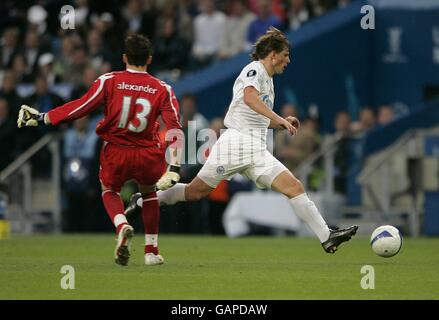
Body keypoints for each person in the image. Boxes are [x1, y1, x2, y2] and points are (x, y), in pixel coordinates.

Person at [128, 27, 358, 254]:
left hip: (255, 149)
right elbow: (249, 98)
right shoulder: (255, 70)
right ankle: (143, 201)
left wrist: (280, 122)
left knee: (294, 187)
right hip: (235, 144)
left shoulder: (268, 80)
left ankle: (327, 236)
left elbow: (255, 116)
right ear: (273, 54)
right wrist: (279, 118)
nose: (288, 60)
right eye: (286, 54)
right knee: (195, 192)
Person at [16, 34, 182, 266]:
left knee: (110, 189)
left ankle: (122, 224)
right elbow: (175, 128)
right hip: (147, 152)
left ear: (124, 57)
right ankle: (151, 252)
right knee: (149, 193)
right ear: (150, 59)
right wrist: (175, 166)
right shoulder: (163, 88)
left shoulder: (109, 81)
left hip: (117, 150)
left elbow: (80, 108)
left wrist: (44, 117)